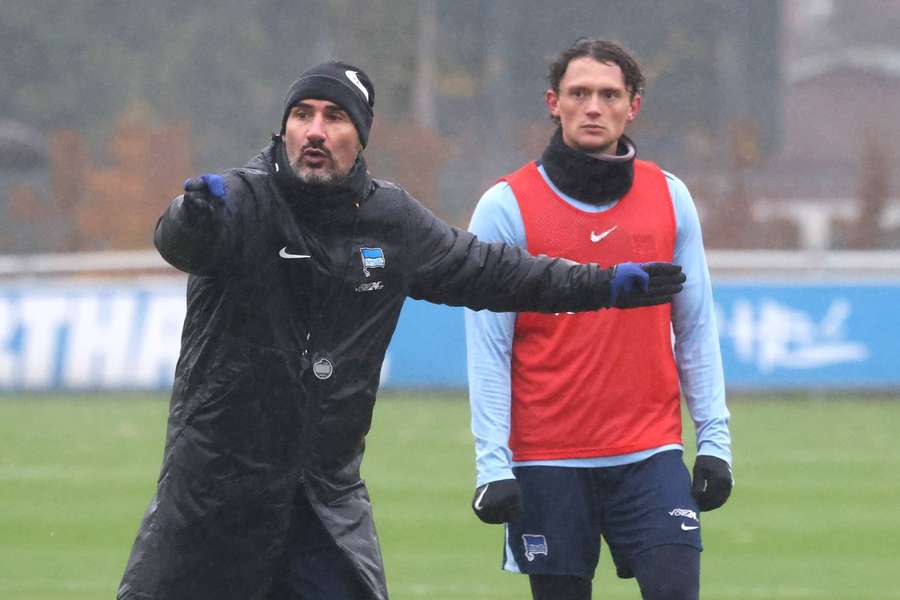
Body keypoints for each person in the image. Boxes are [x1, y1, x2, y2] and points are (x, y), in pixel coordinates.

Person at [117, 60, 685, 600]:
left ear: (360, 135)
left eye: (334, 117)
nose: (315, 130)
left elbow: (494, 271)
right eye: (303, 114)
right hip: (214, 497)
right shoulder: (238, 202)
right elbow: (180, 242)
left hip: (324, 501)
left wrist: (602, 284)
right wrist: (192, 217)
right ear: (284, 127)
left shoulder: (390, 222)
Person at [465, 39, 733, 600]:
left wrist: (715, 440)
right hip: (547, 462)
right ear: (552, 102)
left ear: (632, 106)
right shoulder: (505, 206)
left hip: (650, 456)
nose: (593, 106)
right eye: (578, 93)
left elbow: (695, 326)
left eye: (609, 94)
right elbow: (489, 346)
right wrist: (492, 464)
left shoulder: (671, 197)